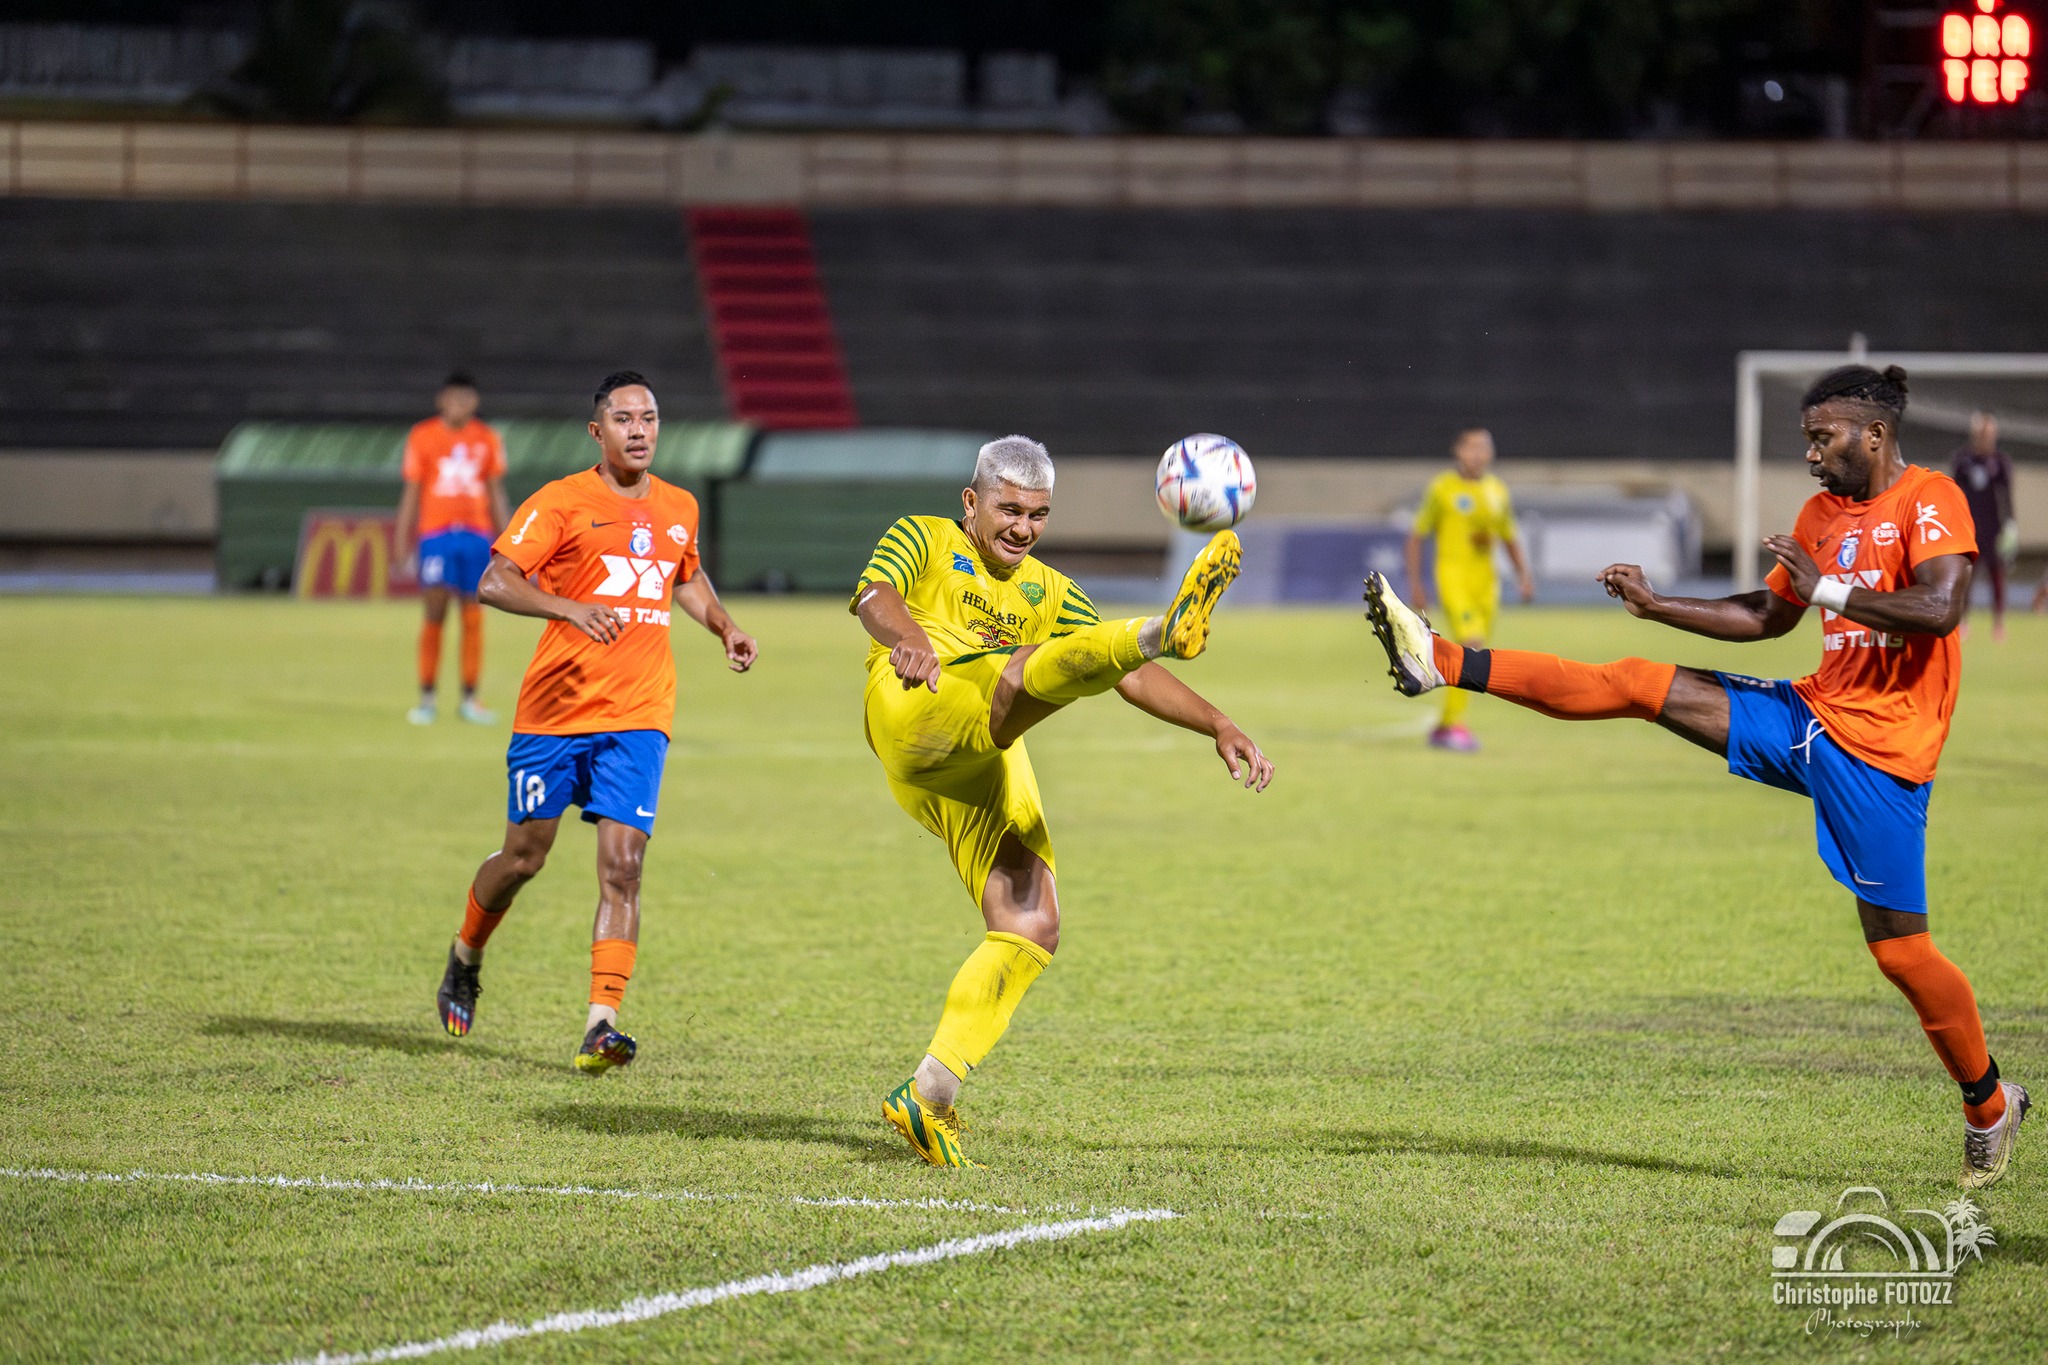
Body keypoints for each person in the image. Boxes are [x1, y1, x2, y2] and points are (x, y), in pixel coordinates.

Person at [1365, 365, 2028, 1189]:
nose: (1814, 457)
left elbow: (1941, 608)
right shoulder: (1820, 515)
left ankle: (1991, 1101)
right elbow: (1768, 615)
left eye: (1824, 439)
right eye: (1807, 441)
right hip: (1810, 717)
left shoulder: (1932, 498)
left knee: (1901, 952)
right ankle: (1443, 660)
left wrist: (1829, 586)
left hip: (1884, 757)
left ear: (1875, 434)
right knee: (1640, 680)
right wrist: (1659, 603)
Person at [854, 436, 1273, 1167]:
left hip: (981, 754)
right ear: (971, 501)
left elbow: (1121, 676)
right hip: (914, 706)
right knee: (1019, 671)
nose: (1022, 528)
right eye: (1009, 510)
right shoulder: (924, 536)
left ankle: (928, 1094)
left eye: (1038, 515)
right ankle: (1156, 628)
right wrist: (911, 637)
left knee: (1032, 920)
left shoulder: (1048, 590)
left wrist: (1219, 722)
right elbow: (873, 596)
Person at [434, 371, 758, 1072]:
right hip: (554, 712)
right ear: (598, 431)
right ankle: (466, 952)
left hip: (640, 713)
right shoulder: (561, 502)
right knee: (524, 858)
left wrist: (724, 625)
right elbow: (495, 581)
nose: (640, 430)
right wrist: (570, 608)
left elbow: (685, 577)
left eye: (650, 418)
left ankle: (600, 1023)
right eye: (624, 419)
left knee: (624, 866)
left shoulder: (679, 506)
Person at [1404, 428, 1535, 751]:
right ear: (1458, 451)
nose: (1477, 454)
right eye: (1471, 447)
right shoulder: (1442, 488)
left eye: (1484, 448)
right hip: (1454, 578)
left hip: (1487, 583)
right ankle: (1451, 727)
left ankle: (1446, 726)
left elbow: (1508, 536)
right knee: (1469, 646)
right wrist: (1417, 584)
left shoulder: (1497, 490)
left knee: (1474, 655)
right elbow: (1417, 536)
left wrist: (1523, 575)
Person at [395, 372, 509, 725]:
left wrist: (509, 541)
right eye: (453, 397)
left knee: (474, 616)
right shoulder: (422, 436)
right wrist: (402, 539)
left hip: (476, 535)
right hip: (437, 536)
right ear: (441, 400)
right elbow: (412, 492)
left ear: (474, 402)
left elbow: (495, 491)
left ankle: (470, 698)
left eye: (466, 398)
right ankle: (427, 697)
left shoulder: (487, 438)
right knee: (434, 613)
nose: (459, 405)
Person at [1951, 412, 2017, 641]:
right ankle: (1964, 620)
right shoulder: (1963, 460)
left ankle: (1998, 623)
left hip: (1994, 529)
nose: (1985, 439)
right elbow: (1954, 493)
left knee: (1997, 576)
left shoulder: (2000, 462)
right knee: (1967, 576)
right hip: (1969, 527)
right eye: (1981, 434)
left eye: (1989, 434)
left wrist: (2010, 524)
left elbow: (2006, 496)